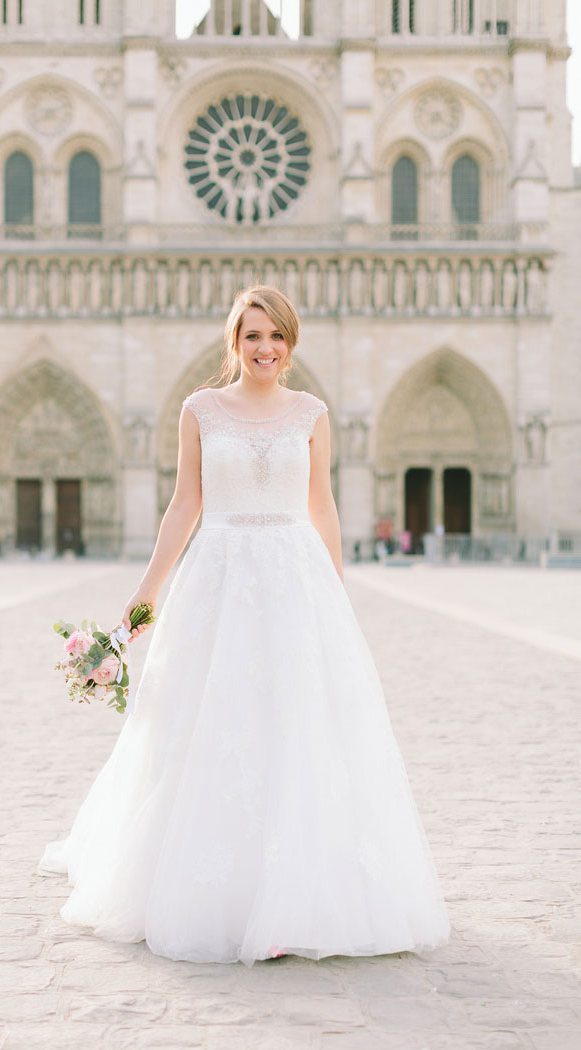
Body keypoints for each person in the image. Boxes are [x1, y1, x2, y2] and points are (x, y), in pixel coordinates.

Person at [38, 285, 450, 966]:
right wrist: (138, 607)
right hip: (219, 581)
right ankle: (221, 891)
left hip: (295, 582)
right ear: (234, 341)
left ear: (291, 346)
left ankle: (293, 896)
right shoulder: (200, 410)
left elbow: (323, 508)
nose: (265, 349)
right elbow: (183, 508)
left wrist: (337, 600)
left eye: (277, 337)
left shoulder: (312, 413)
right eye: (253, 336)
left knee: (296, 732)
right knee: (212, 727)